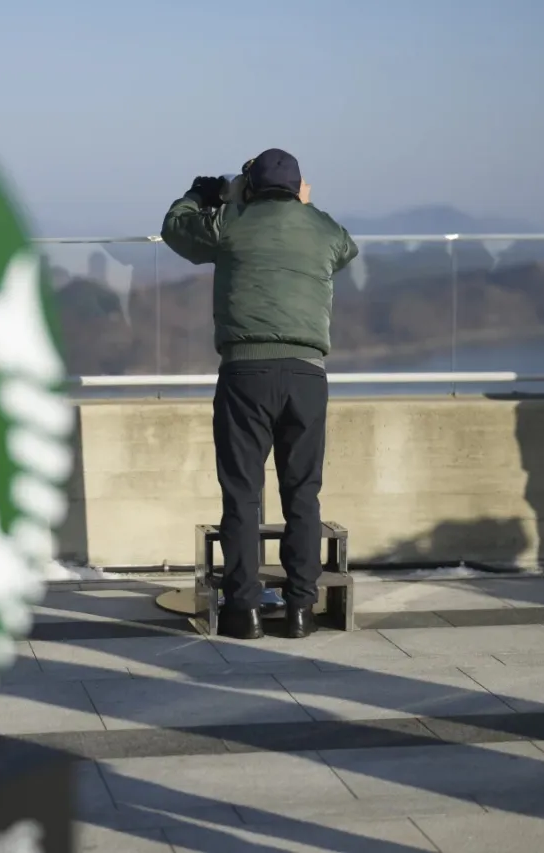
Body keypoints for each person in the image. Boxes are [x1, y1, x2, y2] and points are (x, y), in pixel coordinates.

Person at [160, 148, 358, 640]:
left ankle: (243, 611)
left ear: (250, 188)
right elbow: (346, 249)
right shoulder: (322, 229)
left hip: (245, 374)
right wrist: (305, 208)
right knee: (303, 496)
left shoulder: (230, 221)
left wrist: (202, 194)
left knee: (242, 496)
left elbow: (175, 228)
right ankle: (299, 612)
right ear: (297, 188)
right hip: (307, 377)